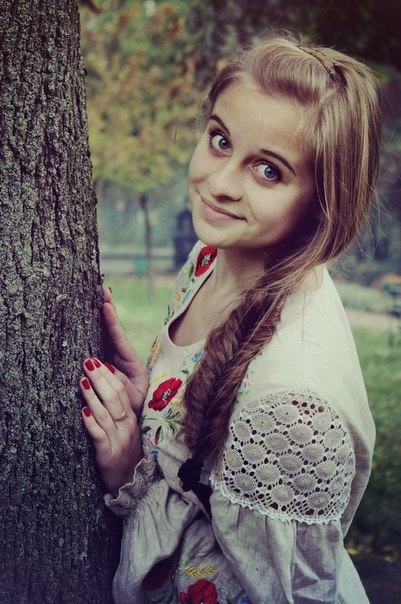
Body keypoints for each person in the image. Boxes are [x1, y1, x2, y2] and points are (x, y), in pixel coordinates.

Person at [79, 35, 381, 603]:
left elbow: (254, 589)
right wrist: (156, 410)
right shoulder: (214, 255)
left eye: (268, 171)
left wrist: (129, 477)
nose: (219, 184)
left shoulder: (291, 405)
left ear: (322, 201)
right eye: (220, 140)